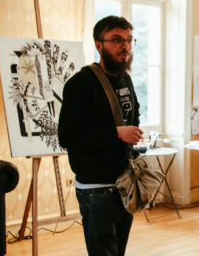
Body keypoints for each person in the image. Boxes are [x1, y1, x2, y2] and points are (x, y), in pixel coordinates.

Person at [58, 15, 143, 256]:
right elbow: (69, 137)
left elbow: (133, 115)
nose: (125, 46)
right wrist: (117, 134)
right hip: (96, 190)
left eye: (128, 40)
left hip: (125, 185)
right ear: (98, 44)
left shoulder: (126, 79)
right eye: (117, 40)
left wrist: (131, 133)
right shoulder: (81, 84)